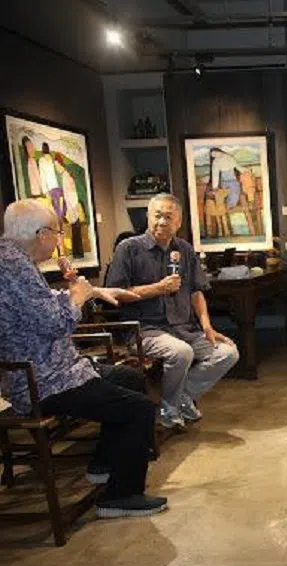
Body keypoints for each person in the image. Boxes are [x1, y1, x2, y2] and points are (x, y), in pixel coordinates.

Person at [0, 200, 166, 518]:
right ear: (41, 233)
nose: (59, 240)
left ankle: (104, 464)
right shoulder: (14, 267)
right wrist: (78, 294)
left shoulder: (14, 259)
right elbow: (55, 323)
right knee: (138, 409)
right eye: (57, 232)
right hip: (44, 380)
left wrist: (86, 292)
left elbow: (39, 308)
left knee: (130, 378)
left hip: (54, 367)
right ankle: (120, 496)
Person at [105, 194, 240, 429]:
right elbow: (114, 294)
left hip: (183, 328)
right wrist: (157, 288)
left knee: (228, 352)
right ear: (148, 217)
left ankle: (179, 398)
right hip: (144, 330)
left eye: (168, 217)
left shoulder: (184, 250)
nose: (162, 222)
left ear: (178, 222)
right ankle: (170, 408)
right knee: (181, 352)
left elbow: (197, 292)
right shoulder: (128, 249)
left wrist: (207, 327)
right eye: (157, 215)